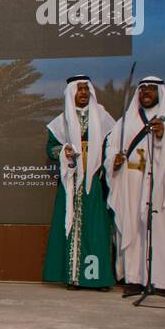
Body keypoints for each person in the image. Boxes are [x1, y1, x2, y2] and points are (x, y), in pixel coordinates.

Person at [104, 76, 165, 292]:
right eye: (143, 89)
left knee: (164, 231)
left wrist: (164, 133)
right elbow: (112, 145)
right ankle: (135, 279)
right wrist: (113, 160)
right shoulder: (127, 119)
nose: (146, 93)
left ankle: (164, 281)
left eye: (151, 90)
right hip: (132, 183)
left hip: (162, 183)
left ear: (160, 92)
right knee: (134, 230)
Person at [41, 75, 116, 290]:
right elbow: (51, 148)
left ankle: (97, 278)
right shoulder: (61, 121)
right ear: (71, 93)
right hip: (71, 182)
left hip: (94, 180)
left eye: (86, 89)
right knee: (70, 225)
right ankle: (73, 276)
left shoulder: (103, 117)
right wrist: (64, 151)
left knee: (96, 229)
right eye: (79, 89)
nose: (83, 93)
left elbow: (112, 145)